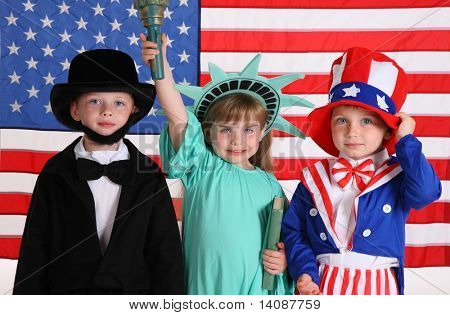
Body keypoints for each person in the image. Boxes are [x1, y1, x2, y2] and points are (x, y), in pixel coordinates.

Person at [140, 34, 314, 294]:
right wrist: (160, 66)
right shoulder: (202, 167)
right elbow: (177, 116)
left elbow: (287, 239)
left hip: (257, 293)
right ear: (207, 133)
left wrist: (284, 260)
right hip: (207, 290)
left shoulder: (271, 185)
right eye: (225, 130)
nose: (237, 140)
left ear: (263, 131)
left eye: (248, 130)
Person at [13, 49, 184, 294]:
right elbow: (36, 248)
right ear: (75, 110)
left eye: (119, 102)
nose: (107, 111)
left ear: (133, 109)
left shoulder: (149, 175)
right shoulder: (55, 173)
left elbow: (165, 251)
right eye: (95, 101)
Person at [282, 47, 442, 295]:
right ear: (331, 126)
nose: (352, 131)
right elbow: (295, 231)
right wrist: (304, 272)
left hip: (378, 285)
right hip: (322, 283)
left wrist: (407, 140)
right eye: (341, 120)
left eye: (367, 121)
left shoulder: (399, 174)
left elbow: (427, 193)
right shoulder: (313, 177)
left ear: (388, 131)